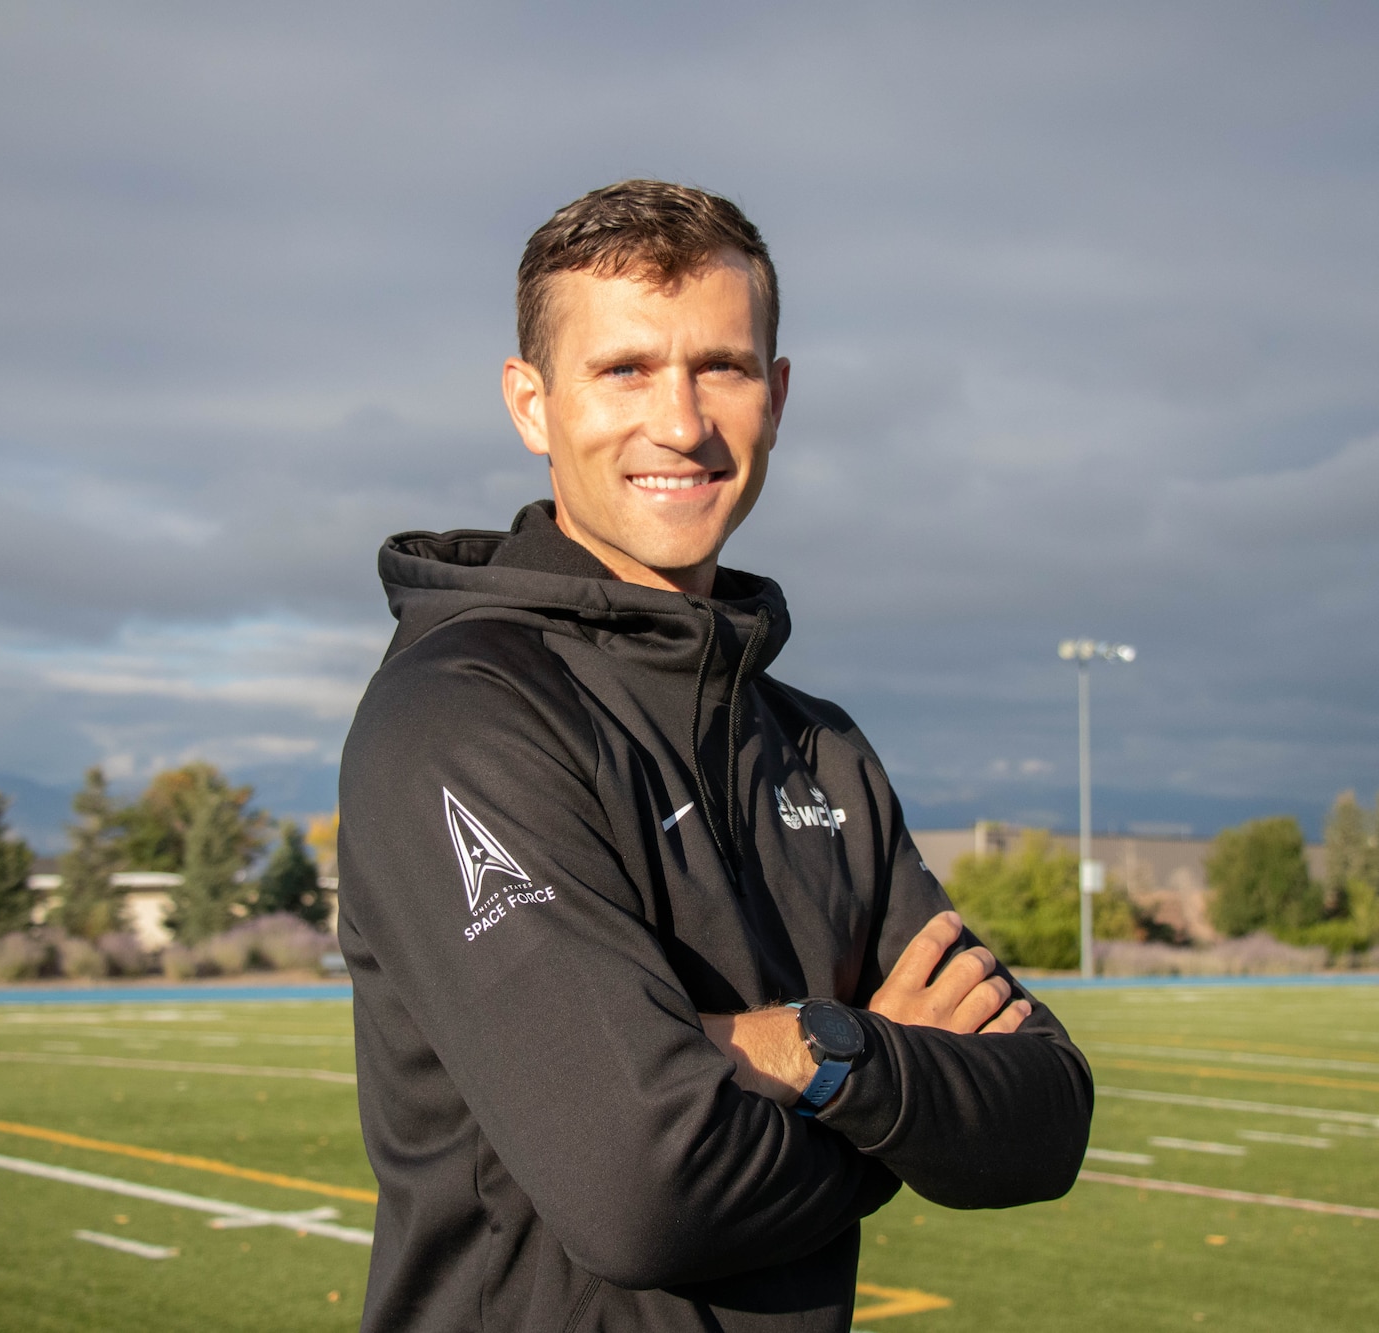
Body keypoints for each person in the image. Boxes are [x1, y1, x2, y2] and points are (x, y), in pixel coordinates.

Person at [336, 179, 1092, 1332]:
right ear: (531, 405)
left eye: (721, 368)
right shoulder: (463, 715)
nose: (680, 423)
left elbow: (1042, 1117)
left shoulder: (814, 746)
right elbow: (640, 1188)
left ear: (776, 396)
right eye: (625, 369)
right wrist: (884, 1083)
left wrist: (823, 1055)